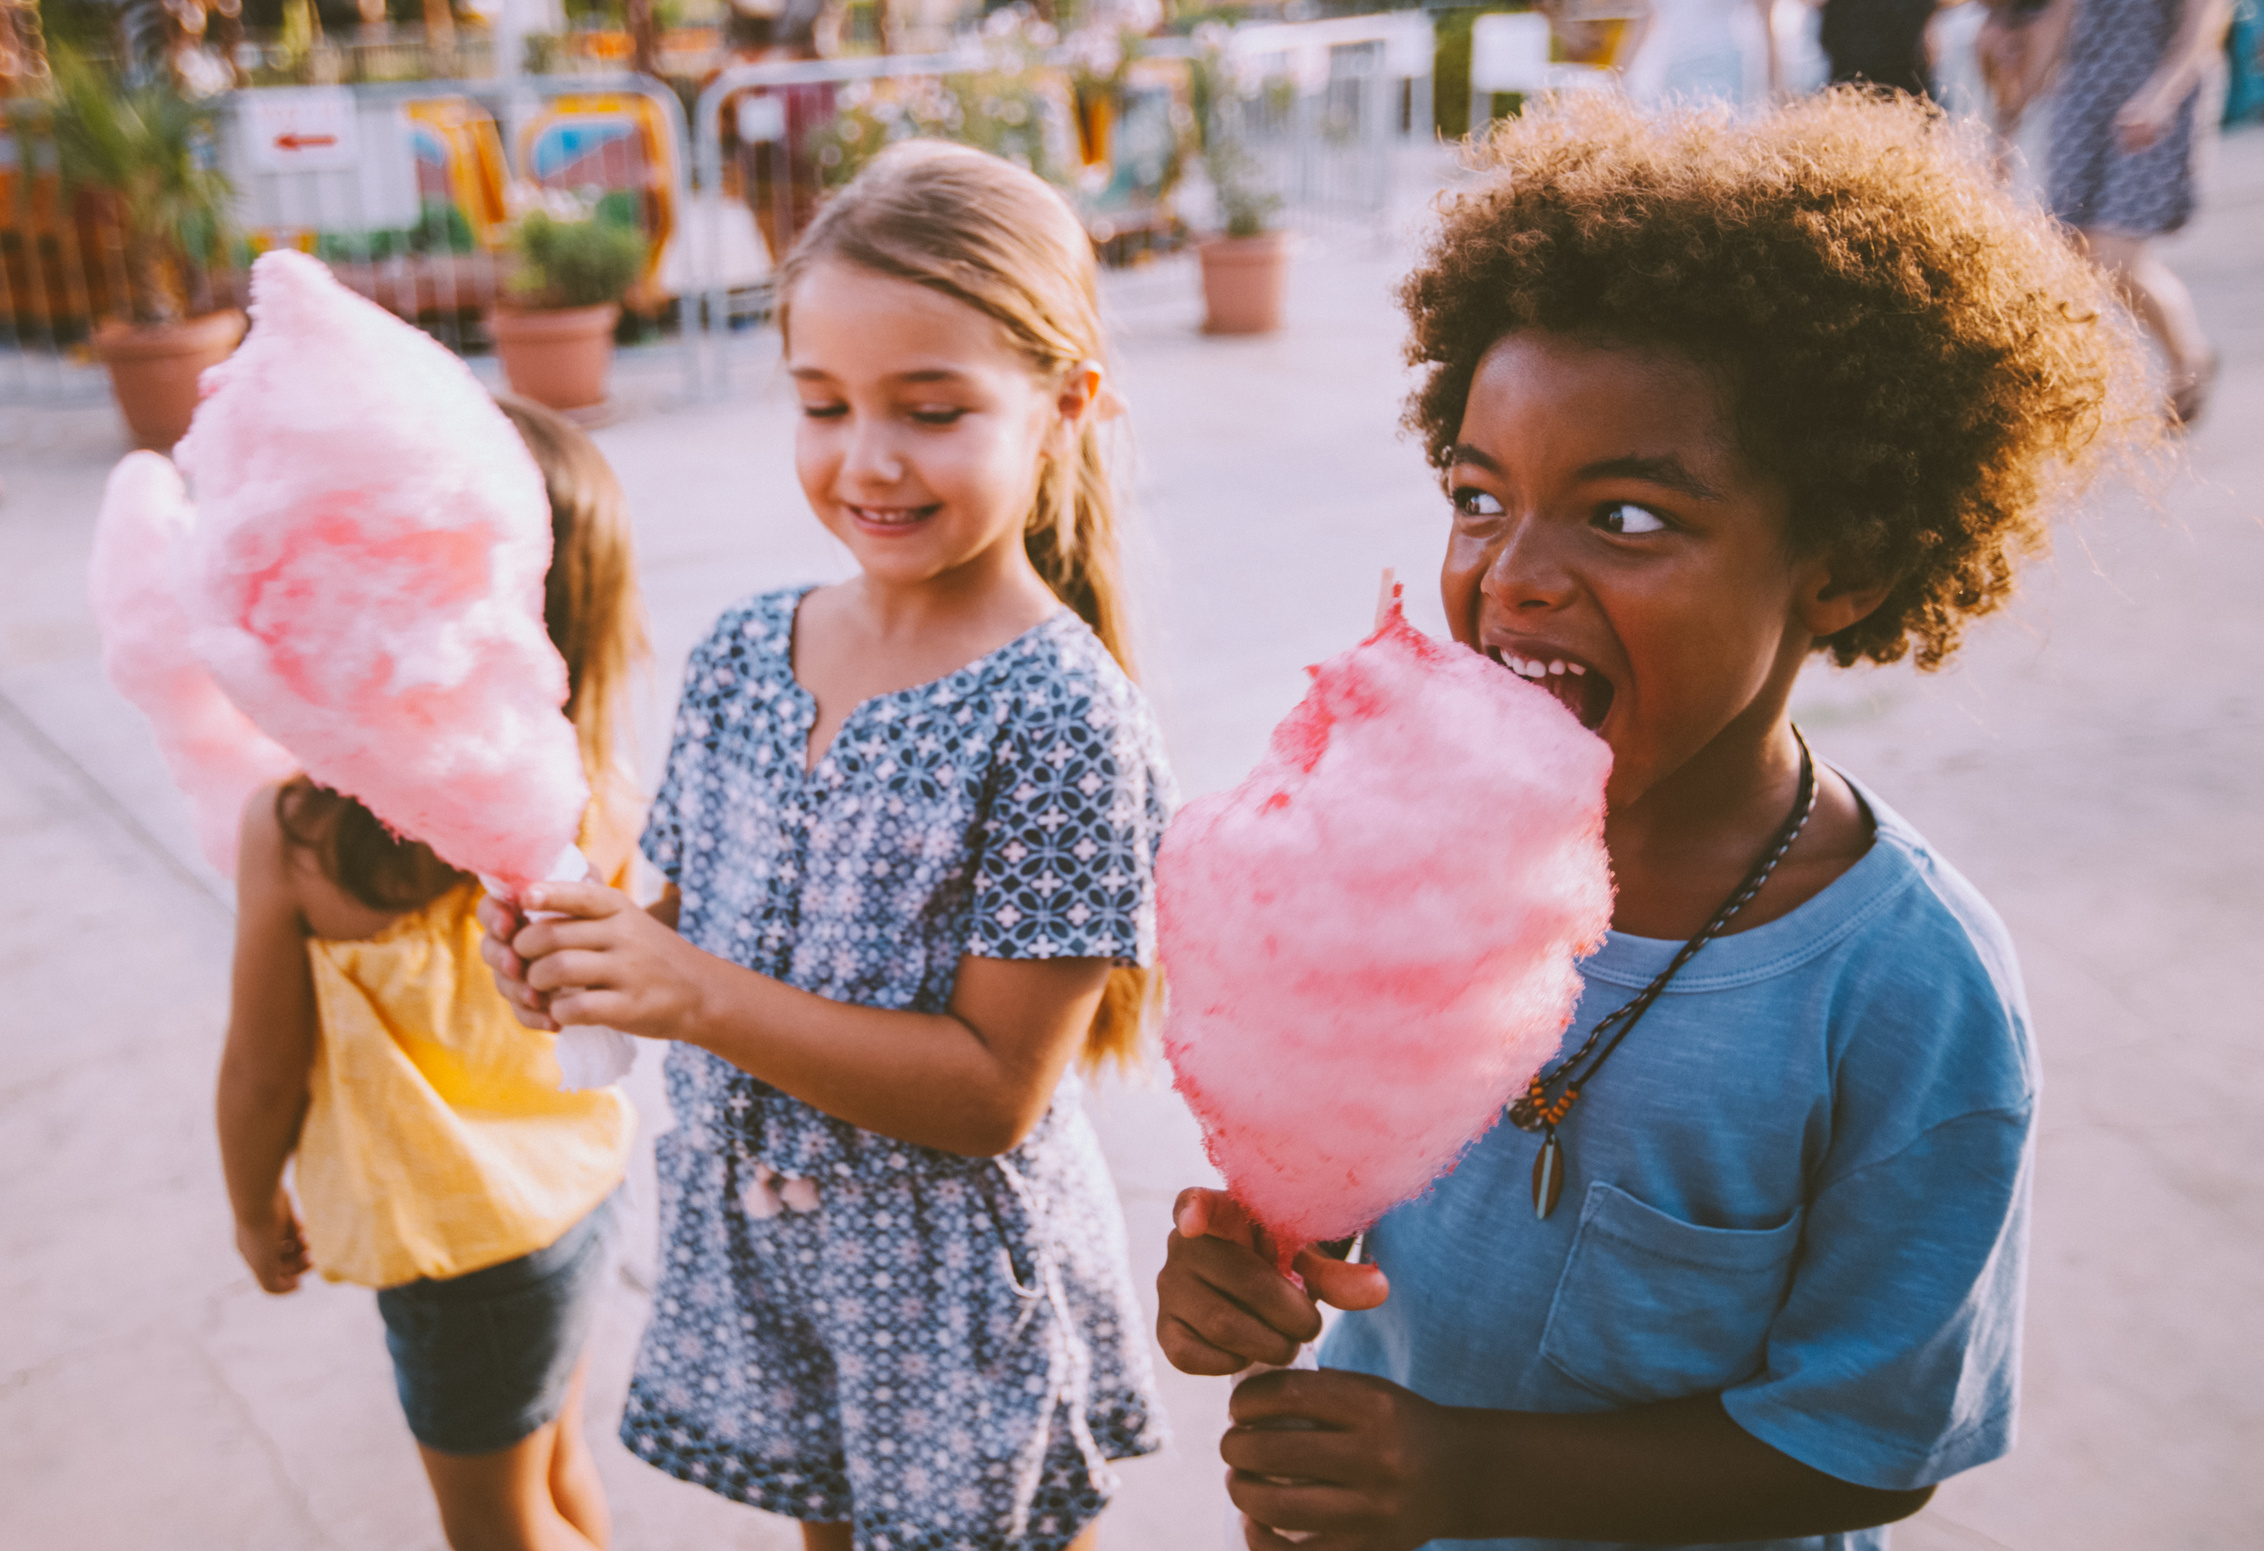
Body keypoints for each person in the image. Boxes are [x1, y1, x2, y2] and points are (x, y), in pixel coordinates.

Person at [1154, 90, 2156, 1551]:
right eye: (1478, 494)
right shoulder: (1409, 860)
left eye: (1624, 517)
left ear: (1848, 564)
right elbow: (1337, 1199)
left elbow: (1868, 1442)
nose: (1515, 575)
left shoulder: (1904, 994)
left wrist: (1466, 1476)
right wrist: (1250, 1248)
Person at [478, 141, 1171, 1551]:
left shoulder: (1062, 718)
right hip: (776, 1259)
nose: (867, 458)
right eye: (822, 403)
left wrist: (688, 991)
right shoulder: (745, 647)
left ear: (1065, 406)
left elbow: (991, 1091)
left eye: (932, 409)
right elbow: (670, 917)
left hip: (952, 1296)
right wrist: (578, 954)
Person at [217, 395, 650, 1551]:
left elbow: (264, 1070)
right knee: (552, 1464)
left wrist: (254, 1207)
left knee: (494, 1524)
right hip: (575, 1192)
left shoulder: (304, 837)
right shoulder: (596, 790)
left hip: (456, 1243)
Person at [2034, 0, 2231, 422]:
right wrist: (2009, 113)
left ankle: (2188, 356)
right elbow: (2059, 19)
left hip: (2156, 91)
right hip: (2083, 95)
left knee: (2115, 254)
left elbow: (2202, 30)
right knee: (2072, 248)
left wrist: (2160, 98)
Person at [1619, 0, 1784, 105]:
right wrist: (1618, 79)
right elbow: (1644, 18)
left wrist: (1776, 89)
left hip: (1722, 70)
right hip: (1671, 71)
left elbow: (1766, 18)